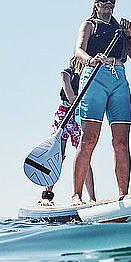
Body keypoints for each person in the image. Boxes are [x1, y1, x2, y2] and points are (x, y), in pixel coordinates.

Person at [71, 0, 131, 205]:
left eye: (111, 0)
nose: (107, 3)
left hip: (118, 77)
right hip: (95, 75)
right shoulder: (89, 25)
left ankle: (123, 195)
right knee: (89, 139)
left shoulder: (120, 29)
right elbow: (78, 51)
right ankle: (77, 195)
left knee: (121, 141)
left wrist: (130, 34)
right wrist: (91, 60)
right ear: (95, 4)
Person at [41, 57, 95, 206]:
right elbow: (64, 79)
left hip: (77, 116)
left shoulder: (90, 77)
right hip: (64, 114)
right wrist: (72, 98)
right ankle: (46, 195)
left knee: (84, 154)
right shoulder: (69, 73)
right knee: (58, 154)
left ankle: (91, 198)